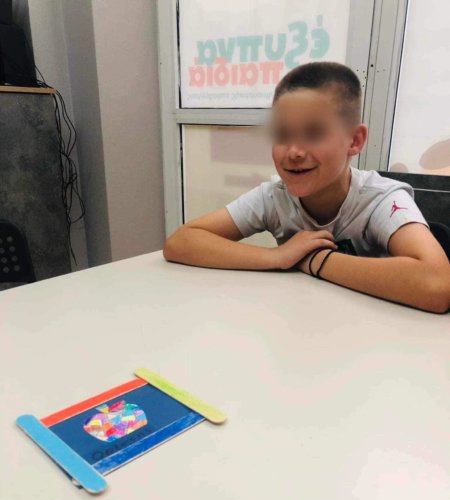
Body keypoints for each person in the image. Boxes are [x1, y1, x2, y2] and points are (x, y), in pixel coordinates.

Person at [164, 61, 450, 313]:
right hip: (298, 325)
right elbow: (181, 242)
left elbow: (437, 284)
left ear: (354, 140)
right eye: (282, 134)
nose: (294, 151)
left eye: (314, 133)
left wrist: (314, 261)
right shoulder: (273, 197)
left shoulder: (380, 199)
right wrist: (275, 257)